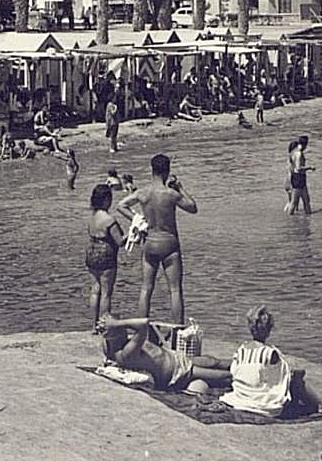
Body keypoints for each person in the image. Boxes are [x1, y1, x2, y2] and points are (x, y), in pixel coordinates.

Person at [116, 154, 197, 324]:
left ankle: (141, 330)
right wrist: (180, 187)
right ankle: (177, 331)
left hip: (150, 242)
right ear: (167, 171)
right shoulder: (171, 194)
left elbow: (120, 205)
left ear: (152, 170)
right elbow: (192, 207)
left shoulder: (143, 192)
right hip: (169, 243)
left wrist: (136, 219)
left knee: (146, 288)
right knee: (174, 290)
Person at [220, 305, 322, 418]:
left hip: (240, 398)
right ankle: (321, 405)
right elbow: (282, 380)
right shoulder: (270, 353)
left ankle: (320, 404)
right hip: (264, 405)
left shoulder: (241, 350)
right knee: (297, 379)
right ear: (268, 330)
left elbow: (235, 372)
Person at [97, 314, 231, 391]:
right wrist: (116, 323)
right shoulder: (124, 354)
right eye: (121, 328)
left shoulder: (113, 341)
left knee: (213, 361)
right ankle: (247, 377)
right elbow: (144, 323)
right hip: (177, 373)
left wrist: (109, 322)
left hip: (177, 358)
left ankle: (246, 363)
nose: (126, 330)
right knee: (224, 377)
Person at [84, 184, 123, 325]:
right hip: (106, 255)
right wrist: (134, 233)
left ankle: (93, 325)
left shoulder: (91, 217)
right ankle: (104, 325)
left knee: (95, 290)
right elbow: (119, 241)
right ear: (106, 200)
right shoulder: (109, 220)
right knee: (106, 293)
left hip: (91, 253)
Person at [285, 134, 313, 215]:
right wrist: (309, 168)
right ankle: (290, 220)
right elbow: (298, 168)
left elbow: (291, 166)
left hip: (297, 177)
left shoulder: (293, 151)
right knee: (294, 202)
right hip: (298, 178)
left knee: (306, 200)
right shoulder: (299, 154)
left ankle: (308, 219)